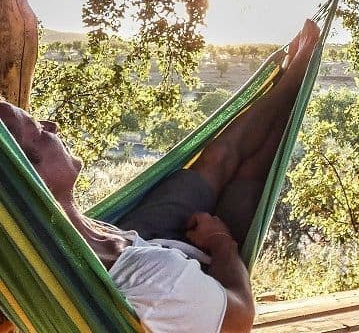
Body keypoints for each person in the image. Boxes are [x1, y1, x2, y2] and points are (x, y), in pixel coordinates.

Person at [0, 20, 321, 333]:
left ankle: (289, 82)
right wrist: (221, 242)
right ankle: (297, 80)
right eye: (39, 131)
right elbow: (240, 319)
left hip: (121, 236)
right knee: (249, 180)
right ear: (31, 176)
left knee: (219, 159)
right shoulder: (159, 284)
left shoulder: (36, 248)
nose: (53, 127)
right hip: (169, 265)